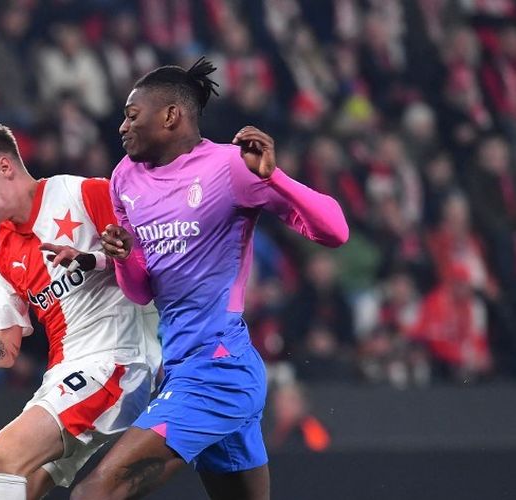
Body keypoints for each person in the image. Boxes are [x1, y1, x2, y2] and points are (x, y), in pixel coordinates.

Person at [71, 58, 349, 499]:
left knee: (95, 492)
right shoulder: (124, 179)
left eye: (131, 114)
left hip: (218, 369)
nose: (121, 127)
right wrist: (125, 257)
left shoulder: (231, 167)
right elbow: (141, 290)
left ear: (170, 115)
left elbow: (335, 231)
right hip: (183, 367)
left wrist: (274, 177)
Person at [0, 114, 161, 500]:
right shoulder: (0, 261)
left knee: (5, 453)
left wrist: (94, 260)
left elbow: (149, 267)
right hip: (66, 379)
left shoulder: (85, 195)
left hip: (119, 363)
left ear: (4, 166)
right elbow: (4, 349)